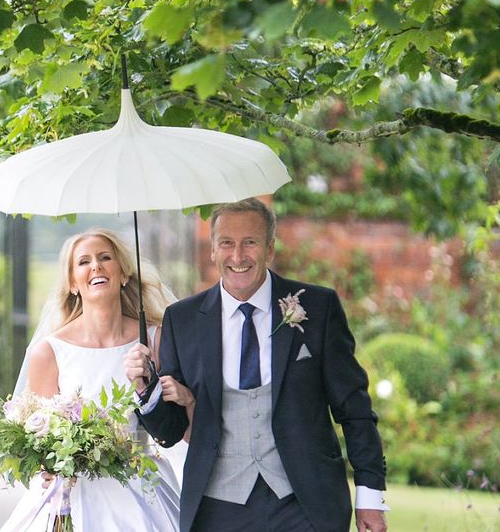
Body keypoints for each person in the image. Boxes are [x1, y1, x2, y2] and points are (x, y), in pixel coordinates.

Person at [124, 198, 388, 532]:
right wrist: (146, 389)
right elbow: (171, 430)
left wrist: (369, 497)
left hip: (305, 503)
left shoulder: (317, 307)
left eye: (250, 242)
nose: (238, 256)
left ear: (270, 249)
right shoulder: (183, 319)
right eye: (227, 244)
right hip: (217, 505)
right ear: (213, 251)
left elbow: (355, 409)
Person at [0, 228, 184, 532]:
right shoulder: (49, 353)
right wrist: (45, 467)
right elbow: (37, 438)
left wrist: (149, 383)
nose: (96, 266)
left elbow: (172, 423)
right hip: (73, 494)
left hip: (140, 489)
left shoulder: (153, 339)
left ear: (123, 273)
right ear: (72, 283)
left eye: (105, 258)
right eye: (83, 262)